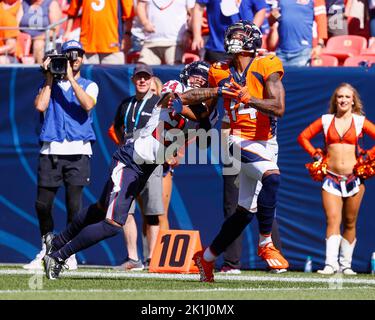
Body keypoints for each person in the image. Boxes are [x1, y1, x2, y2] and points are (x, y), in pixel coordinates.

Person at [41, 65, 232, 279]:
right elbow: (179, 102)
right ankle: (58, 256)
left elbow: (204, 140)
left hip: (147, 167)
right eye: (196, 77)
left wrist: (214, 101)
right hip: (131, 159)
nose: (198, 81)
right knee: (113, 224)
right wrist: (217, 92)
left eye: (203, 79)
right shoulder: (176, 86)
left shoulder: (209, 110)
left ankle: (56, 242)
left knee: (100, 208)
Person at [193, 20, 289, 283]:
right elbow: (207, 109)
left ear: (252, 41)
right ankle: (266, 243)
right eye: (231, 34)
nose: (233, 38)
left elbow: (278, 107)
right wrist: (186, 108)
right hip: (237, 140)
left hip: (267, 142)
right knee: (272, 176)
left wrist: (249, 99)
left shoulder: (266, 64)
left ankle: (207, 258)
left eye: (239, 35)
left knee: (245, 212)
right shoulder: (219, 70)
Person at [23, 40, 98, 271]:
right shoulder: (49, 84)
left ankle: (68, 253)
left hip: (78, 151)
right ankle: (46, 248)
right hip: (52, 150)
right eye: (69, 55)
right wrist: (48, 77)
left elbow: (87, 104)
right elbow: (40, 106)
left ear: (83, 59)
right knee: (42, 205)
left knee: (74, 206)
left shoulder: (90, 84)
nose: (74, 59)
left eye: (78, 55)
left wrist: (71, 79)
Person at [297, 83, 375, 275]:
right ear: (335, 100)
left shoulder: (359, 121)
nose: (343, 100)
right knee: (332, 220)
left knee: (350, 221)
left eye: (347, 97)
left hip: (354, 178)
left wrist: (368, 156)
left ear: (353, 100)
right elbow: (303, 137)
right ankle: (330, 264)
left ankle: (345, 265)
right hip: (331, 177)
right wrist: (315, 154)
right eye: (340, 97)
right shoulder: (325, 120)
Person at [108, 64, 163, 271]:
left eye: (146, 78)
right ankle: (133, 258)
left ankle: (152, 258)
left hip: (151, 160)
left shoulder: (159, 103)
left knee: (152, 211)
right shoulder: (125, 104)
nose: (142, 81)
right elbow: (116, 127)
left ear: (151, 80)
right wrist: (125, 146)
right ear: (133, 80)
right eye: (139, 77)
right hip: (129, 160)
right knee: (125, 209)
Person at [191, 0, 267, 63]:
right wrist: (197, 35)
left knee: (244, 78)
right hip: (218, 48)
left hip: (245, 48)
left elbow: (261, 9)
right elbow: (198, 7)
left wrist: (251, 31)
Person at [64, 0, 133, 64]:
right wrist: (67, 32)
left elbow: (129, 13)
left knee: (113, 76)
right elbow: (72, 11)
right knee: (86, 76)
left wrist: (127, 34)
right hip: (87, 45)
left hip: (113, 45)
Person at [267, 0, 328, 67]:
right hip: (281, 51)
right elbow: (272, 20)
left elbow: (321, 21)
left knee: (300, 77)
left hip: (302, 52)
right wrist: (272, 16)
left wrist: (320, 44)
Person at [137, 0, 195, 65]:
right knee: (142, 71)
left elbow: (193, 13)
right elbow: (141, 5)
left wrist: (189, 31)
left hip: (175, 42)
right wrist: (145, 22)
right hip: (150, 41)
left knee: (174, 72)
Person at [19, 0, 62, 64]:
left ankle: (40, 70)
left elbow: (55, 30)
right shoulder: (23, 3)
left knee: (38, 44)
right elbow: (16, 25)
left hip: (45, 39)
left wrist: (36, 38)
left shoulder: (51, 3)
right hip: (25, 39)